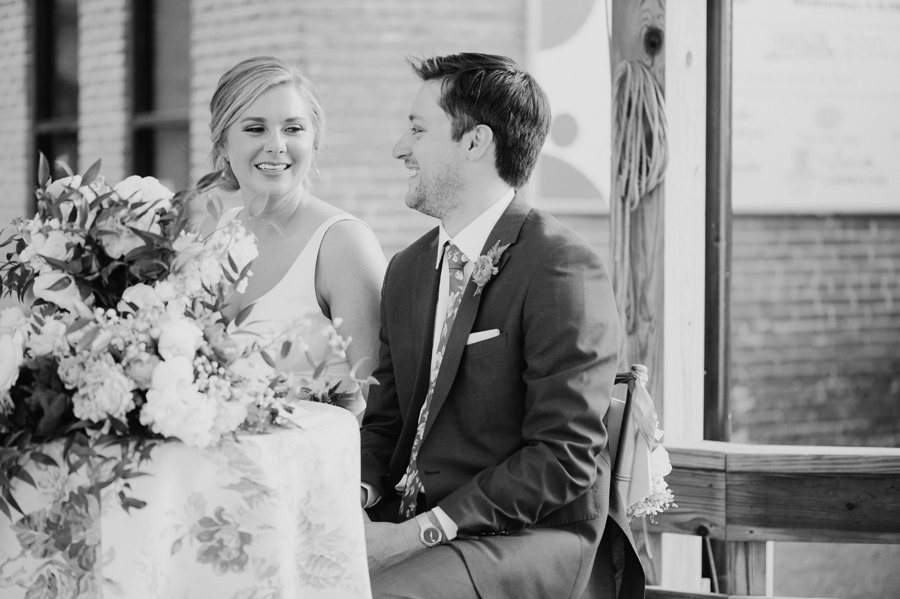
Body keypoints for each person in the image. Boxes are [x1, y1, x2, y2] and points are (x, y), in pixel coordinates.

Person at [358, 53, 645, 598]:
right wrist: (359, 492)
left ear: (474, 143)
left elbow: (562, 457)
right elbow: (386, 422)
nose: (400, 147)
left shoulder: (561, 266)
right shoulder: (407, 269)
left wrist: (421, 532)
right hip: (411, 521)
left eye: (418, 130)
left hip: (530, 537)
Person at [208, 56, 386, 416]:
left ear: (314, 142)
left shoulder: (343, 245)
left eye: (293, 129)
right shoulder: (220, 233)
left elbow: (387, 408)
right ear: (223, 144)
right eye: (255, 129)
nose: (276, 145)